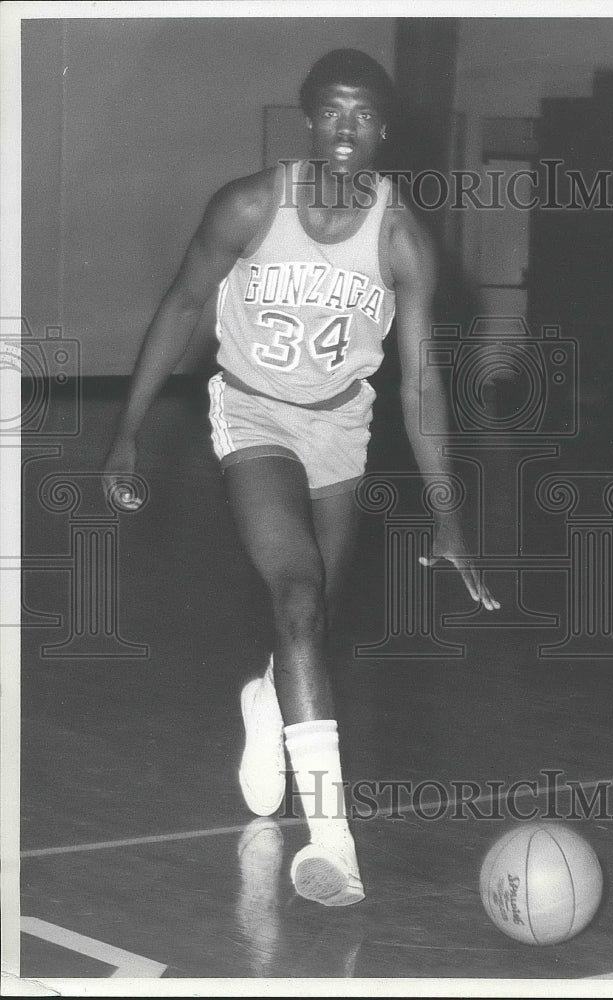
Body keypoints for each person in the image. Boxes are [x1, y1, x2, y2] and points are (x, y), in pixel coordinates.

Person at [103, 48, 500, 908]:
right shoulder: (250, 205)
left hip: (339, 427)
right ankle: (331, 843)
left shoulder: (400, 238)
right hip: (251, 414)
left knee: (312, 614)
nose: (346, 129)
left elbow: (421, 381)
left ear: (384, 128)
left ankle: (266, 697)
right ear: (309, 119)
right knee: (297, 596)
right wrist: (127, 433)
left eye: (363, 114)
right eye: (332, 112)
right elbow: (180, 306)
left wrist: (448, 515)